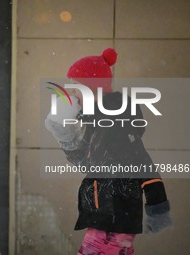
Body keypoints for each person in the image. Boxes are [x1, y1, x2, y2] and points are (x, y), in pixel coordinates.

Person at [45, 48, 172, 255]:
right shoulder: (96, 126)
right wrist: (65, 136)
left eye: (76, 88)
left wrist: (158, 206)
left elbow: (142, 163)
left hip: (115, 216)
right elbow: (86, 166)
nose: (72, 95)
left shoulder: (115, 126)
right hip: (105, 216)